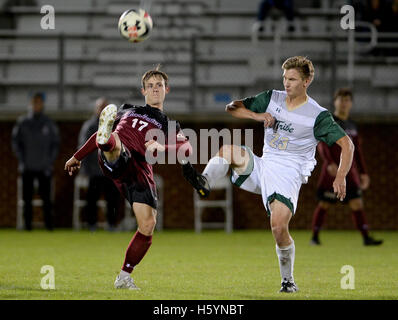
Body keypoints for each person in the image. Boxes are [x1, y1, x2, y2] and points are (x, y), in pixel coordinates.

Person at [183, 56, 354, 293]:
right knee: (228, 151)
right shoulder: (272, 98)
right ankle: (204, 181)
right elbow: (232, 107)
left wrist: (341, 176)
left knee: (278, 227)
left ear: (307, 81)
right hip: (265, 164)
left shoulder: (318, 115)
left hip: (289, 173)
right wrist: (257, 116)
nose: (286, 83)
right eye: (284, 78)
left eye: (292, 79)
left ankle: (288, 281)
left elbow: (347, 145)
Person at [65, 66, 192, 290]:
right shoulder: (127, 110)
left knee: (148, 224)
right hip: (119, 153)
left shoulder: (169, 124)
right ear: (143, 91)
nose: (155, 89)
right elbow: (99, 134)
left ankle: (124, 276)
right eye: (150, 86)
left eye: (159, 86)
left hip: (139, 171)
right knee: (113, 141)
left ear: (166, 90)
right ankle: (108, 147)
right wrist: (78, 156)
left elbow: (187, 147)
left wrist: (162, 145)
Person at [310, 88, 383, 246]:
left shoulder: (352, 125)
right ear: (335, 102)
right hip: (332, 172)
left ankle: (366, 238)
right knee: (324, 203)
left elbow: (357, 151)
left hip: (351, 173)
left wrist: (363, 172)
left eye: (347, 100)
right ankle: (314, 237)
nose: (344, 103)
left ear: (351, 103)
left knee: (357, 203)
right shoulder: (329, 121)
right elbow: (322, 144)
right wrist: (329, 162)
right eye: (341, 99)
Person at [11, 92, 60, 231]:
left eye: (39, 102)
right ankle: (27, 227)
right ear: (30, 104)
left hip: (45, 167)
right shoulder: (22, 122)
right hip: (27, 167)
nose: (36, 105)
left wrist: (49, 161)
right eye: (34, 102)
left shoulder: (49, 123)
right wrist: (22, 160)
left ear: (42, 104)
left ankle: (49, 226)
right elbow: (15, 143)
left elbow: (55, 144)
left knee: (46, 198)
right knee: (27, 199)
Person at [77, 97, 121, 231]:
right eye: (101, 107)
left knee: (112, 200)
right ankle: (92, 224)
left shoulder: (116, 126)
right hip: (94, 170)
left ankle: (112, 224)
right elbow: (83, 147)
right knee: (92, 200)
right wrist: (84, 170)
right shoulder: (89, 126)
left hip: (111, 170)